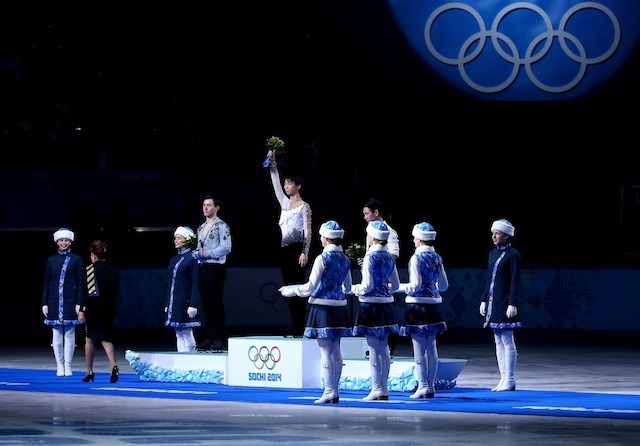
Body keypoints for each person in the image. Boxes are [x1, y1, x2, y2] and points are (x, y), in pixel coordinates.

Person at [279, 220, 353, 404]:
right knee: (336, 350)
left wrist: (292, 290)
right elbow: (348, 286)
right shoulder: (345, 259)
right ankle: (334, 390)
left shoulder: (322, 258)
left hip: (322, 307)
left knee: (326, 352)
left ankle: (329, 391)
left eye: (321, 236)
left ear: (326, 238)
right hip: (339, 306)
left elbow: (310, 287)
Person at [399, 222, 449, 398]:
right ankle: (431, 386)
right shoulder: (437, 258)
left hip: (418, 306)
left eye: (414, 237)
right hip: (433, 306)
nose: (413, 240)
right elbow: (443, 285)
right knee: (432, 346)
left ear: (420, 239)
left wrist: (399, 288)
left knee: (419, 348)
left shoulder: (416, 258)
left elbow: (415, 286)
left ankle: (422, 385)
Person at [351, 220, 400, 401]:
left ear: (371, 237)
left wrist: (354, 289)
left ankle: (376, 388)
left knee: (374, 349)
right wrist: (384, 289)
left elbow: (367, 286)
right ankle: (384, 388)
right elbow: (395, 285)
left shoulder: (369, 258)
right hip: (386, 306)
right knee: (384, 348)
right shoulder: (389, 257)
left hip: (370, 307)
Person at [266, 149, 312, 337]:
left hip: (296, 249)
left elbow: (307, 231)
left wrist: (305, 252)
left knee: (298, 288)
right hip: (284, 249)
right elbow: (274, 182)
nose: (286, 186)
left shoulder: (304, 206)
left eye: (290, 183)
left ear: (298, 186)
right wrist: (272, 163)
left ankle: (302, 325)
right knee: (287, 288)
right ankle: (295, 324)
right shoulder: (284, 204)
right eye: (285, 183)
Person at [479, 218, 522, 392]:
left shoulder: (513, 255)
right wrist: (483, 299)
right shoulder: (492, 254)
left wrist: (512, 302)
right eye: (493, 233)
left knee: (507, 338)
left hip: (504, 301)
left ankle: (510, 378)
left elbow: (514, 281)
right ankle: (503, 377)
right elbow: (489, 279)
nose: (494, 236)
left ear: (506, 235)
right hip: (493, 301)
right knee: (497, 339)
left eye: (497, 233)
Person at [359, 197, 401, 356]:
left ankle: (388, 347)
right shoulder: (370, 231)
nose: (364, 217)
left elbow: (393, 255)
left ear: (376, 213)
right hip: (371, 280)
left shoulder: (390, 232)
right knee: (371, 316)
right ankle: (374, 347)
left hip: (384, 281)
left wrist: (376, 259)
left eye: (367, 213)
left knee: (384, 315)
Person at [41, 228, 85, 377]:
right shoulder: (51, 260)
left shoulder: (76, 259)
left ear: (70, 241)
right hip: (54, 301)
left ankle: (68, 365)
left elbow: (81, 282)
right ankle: (59, 365)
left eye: (66, 240)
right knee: (56, 334)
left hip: (70, 301)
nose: (64, 242)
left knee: (70, 334)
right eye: (61, 240)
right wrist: (44, 302)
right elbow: (47, 282)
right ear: (57, 242)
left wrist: (79, 302)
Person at [78, 239, 121, 383]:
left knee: (90, 339)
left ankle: (89, 370)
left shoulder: (89, 270)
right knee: (106, 338)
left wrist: (82, 310)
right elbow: (115, 292)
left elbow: (87, 293)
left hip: (94, 308)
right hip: (109, 308)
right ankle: (114, 365)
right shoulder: (113, 270)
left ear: (93, 255)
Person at [193, 194, 232, 352]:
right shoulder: (201, 228)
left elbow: (226, 247)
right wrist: (197, 254)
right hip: (203, 267)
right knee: (206, 304)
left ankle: (219, 338)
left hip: (215, 267)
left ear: (216, 208)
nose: (206, 208)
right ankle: (208, 336)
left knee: (215, 302)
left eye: (209, 205)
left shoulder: (222, 225)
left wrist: (206, 253)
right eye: (204, 205)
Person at [165, 226, 201, 352]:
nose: (176, 240)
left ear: (186, 240)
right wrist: (167, 303)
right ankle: (182, 361)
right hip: (175, 301)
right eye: (175, 238)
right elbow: (170, 283)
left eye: (179, 238)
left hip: (185, 300)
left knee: (186, 331)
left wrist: (193, 304)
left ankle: (190, 361)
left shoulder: (192, 258)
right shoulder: (173, 259)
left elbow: (196, 283)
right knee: (178, 333)